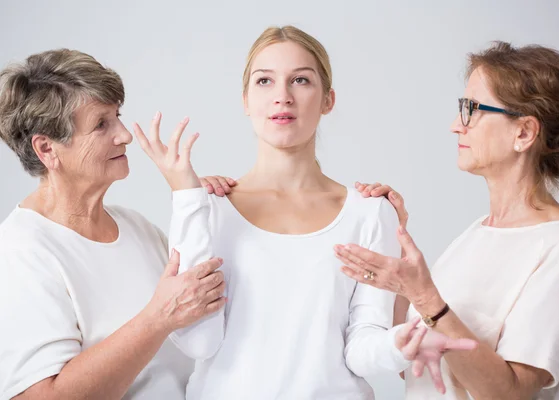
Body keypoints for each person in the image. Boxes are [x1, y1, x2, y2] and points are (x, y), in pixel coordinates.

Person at [134, 25, 477, 399]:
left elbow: (362, 349)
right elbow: (199, 341)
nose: (282, 97)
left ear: (328, 99)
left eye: (300, 80)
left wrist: (401, 344)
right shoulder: (205, 206)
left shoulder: (371, 212)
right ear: (246, 100)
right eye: (264, 81)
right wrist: (187, 196)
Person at [334, 42, 559, 399]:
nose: (456, 126)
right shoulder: (476, 235)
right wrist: (399, 257)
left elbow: (510, 393)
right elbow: (415, 368)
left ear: (523, 133)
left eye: (471, 109)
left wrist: (425, 296)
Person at [0, 49, 227, 399]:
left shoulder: (136, 228)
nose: (124, 135)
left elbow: (201, 323)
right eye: (101, 124)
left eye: (117, 116)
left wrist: (201, 207)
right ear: (47, 149)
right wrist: (157, 318)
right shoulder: (21, 251)